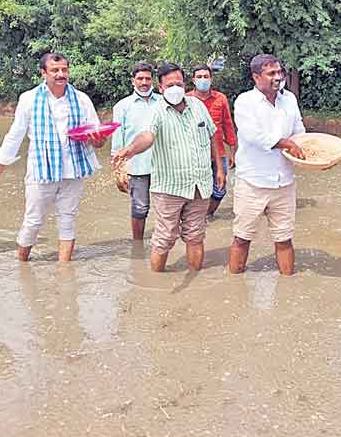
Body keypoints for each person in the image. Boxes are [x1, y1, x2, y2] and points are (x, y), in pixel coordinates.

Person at [0, 53, 107, 263]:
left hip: (74, 169)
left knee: (68, 219)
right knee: (33, 221)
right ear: (43, 73)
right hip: (41, 170)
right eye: (55, 70)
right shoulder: (29, 99)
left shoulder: (82, 99)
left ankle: (64, 271)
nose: (60, 74)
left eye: (64, 70)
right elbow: (14, 136)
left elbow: (98, 137)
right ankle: (22, 265)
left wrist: (98, 140)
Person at [113, 63, 225, 272]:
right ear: (161, 87)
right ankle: (155, 283)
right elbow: (147, 136)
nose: (175, 88)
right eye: (170, 85)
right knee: (164, 238)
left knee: (196, 235)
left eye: (179, 84)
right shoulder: (156, 111)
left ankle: (196, 279)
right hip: (169, 188)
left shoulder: (198, 106)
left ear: (185, 84)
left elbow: (212, 136)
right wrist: (130, 150)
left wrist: (219, 168)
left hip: (199, 185)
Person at [226, 54, 305, 275]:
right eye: (271, 73)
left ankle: (288, 283)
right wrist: (287, 143)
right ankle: (235, 284)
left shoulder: (289, 99)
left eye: (279, 72)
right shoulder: (245, 102)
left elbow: (299, 130)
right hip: (252, 182)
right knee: (242, 238)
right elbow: (253, 136)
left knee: (284, 239)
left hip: (284, 182)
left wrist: (312, 157)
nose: (278, 77)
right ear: (256, 77)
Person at [110, 62, 161, 240]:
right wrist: (118, 170)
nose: (144, 82)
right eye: (140, 79)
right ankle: (137, 244)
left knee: (167, 207)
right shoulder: (122, 106)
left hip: (163, 165)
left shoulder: (163, 102)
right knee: (140, 209)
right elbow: (118, 141)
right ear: (133, 81)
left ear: (153, 80)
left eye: (147, 78)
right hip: (137, 166)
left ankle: (163, 241)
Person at [186, 63, 237, 218]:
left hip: (218, 153)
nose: (203, 79)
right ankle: (194, 218)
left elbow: (228, 125)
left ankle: (208, 214)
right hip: (193, 154)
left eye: (206, 76)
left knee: (220, 189)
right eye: (199, 77)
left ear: (211, 79)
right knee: (194, 190)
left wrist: (233, 152)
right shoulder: (186, 99)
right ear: (193, 80)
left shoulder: (220, 99)